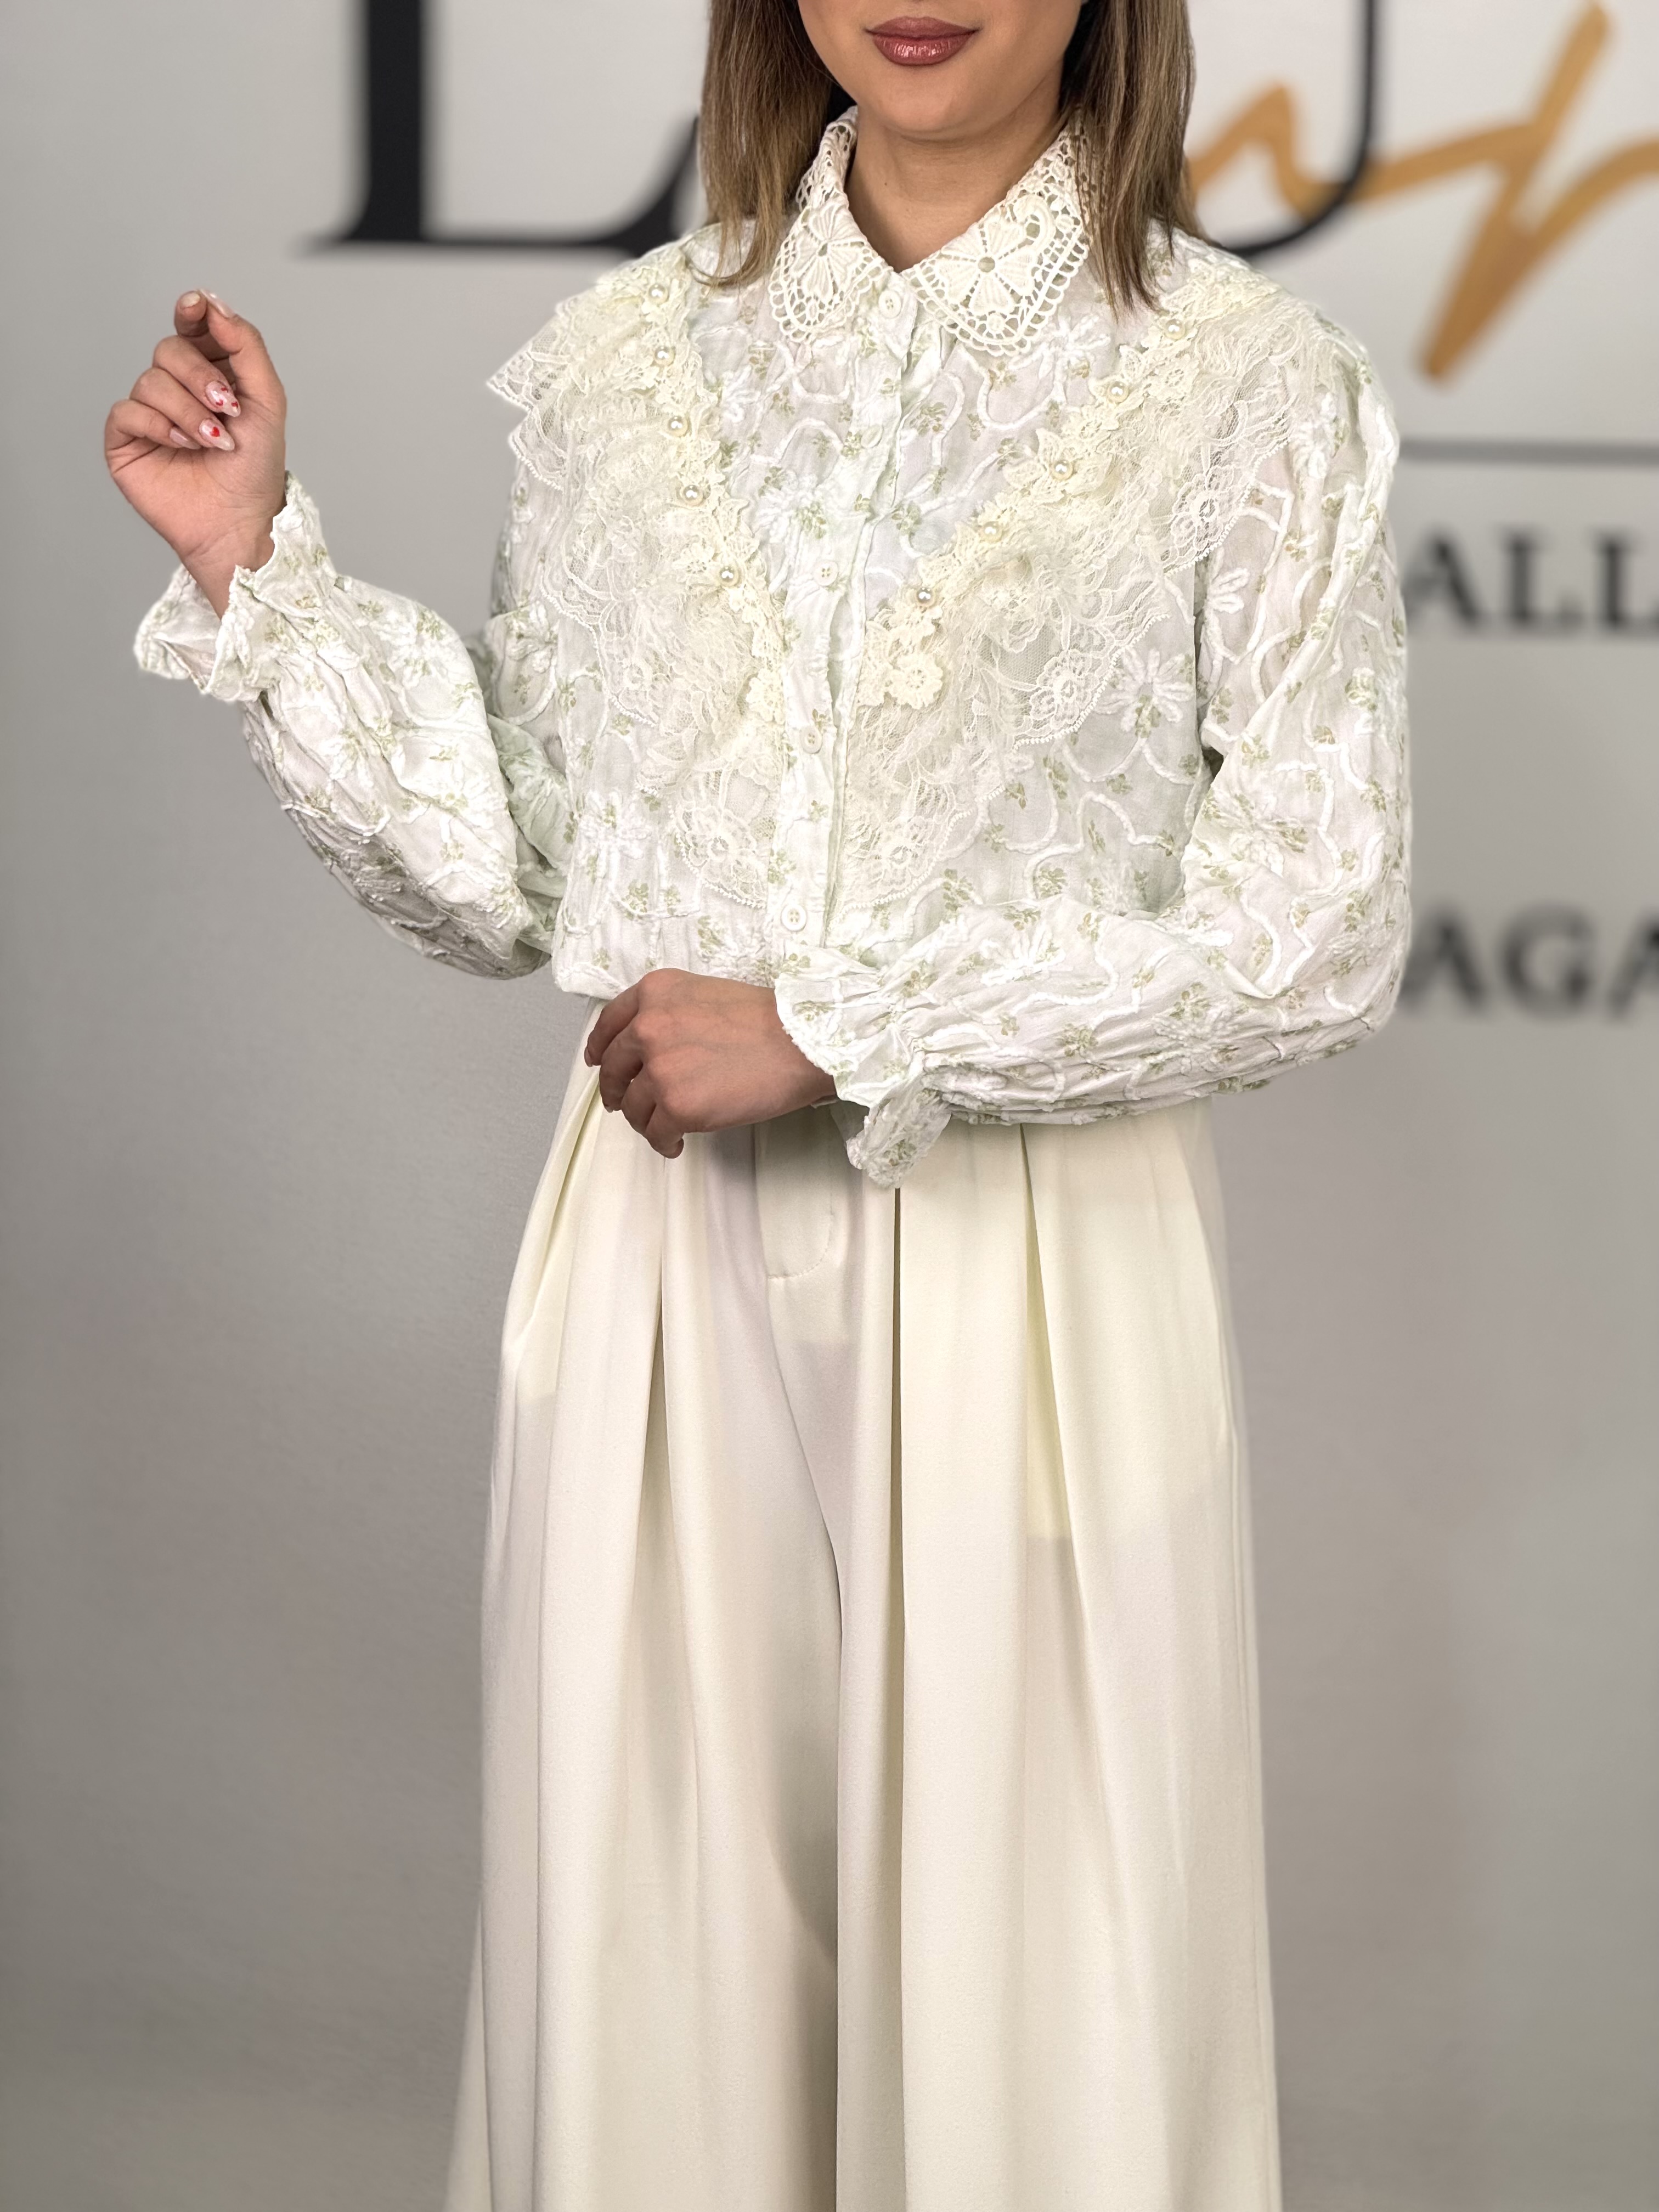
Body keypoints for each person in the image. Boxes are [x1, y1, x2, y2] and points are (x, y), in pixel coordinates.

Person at [106, 0, 1409, 2203]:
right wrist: (260, 573)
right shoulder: (628, 362)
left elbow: (1321, 926)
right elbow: (519, 871)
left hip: (1037, 1276)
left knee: (1042, 2009)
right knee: (653, 1989)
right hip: (660, 1258)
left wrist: (841, 1026)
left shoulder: (1247, 383)